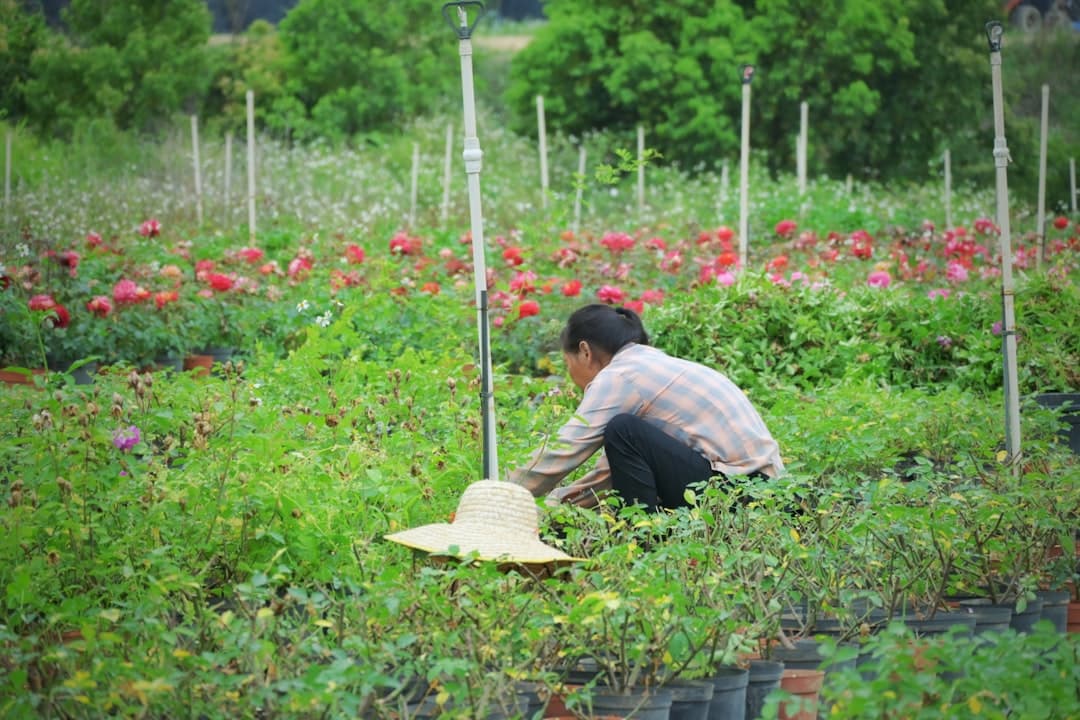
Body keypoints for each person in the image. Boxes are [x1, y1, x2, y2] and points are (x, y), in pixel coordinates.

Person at [508, 303, 784, 512]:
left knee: (623, 429)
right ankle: (647, 530)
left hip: (740, 490)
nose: (570, 375)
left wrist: (500, 498)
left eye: (568, 364)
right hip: (765, 491)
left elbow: (563, 449)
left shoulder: (620, 376)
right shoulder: (649, 364)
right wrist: (555, 507)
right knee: (624, 433)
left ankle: (644, 535)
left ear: (585, 352)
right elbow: (611, 473)